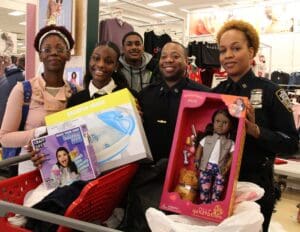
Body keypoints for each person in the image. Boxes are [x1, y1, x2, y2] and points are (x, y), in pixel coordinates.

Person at [213, 19, 299, 232]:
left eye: (236, 48)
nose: (228, 55)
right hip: (217, 187)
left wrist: (256, 131)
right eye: (223, 50)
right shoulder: (214, 94)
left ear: (251, 52)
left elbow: (292, 144)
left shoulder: (272, 92)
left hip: (256, 189)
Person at [120, 41, 210, 232]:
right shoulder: (145, 96)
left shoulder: (204, 96)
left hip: (186, 181)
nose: (168, 60)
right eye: (164, 56)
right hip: (148, 182)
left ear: (186, 61)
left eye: (176, 56)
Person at [0, 24, 80, 175]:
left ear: (68, 54)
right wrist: (40, 134)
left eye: (60, 49)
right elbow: (4, 137)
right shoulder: (23, 90)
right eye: (47, 49)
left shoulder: (76, 92)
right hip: (30, 167)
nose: (53, 53)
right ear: (40, 55)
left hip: (67, 167)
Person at [67, 41, 135, 107]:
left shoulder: (129, 96)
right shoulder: (75, 101)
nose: (100, 65)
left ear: (116, 66)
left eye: (108, 61)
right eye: (96, 58)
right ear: (90, 60)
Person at [194, 109, 236, 204]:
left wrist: (227, 166)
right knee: (204, 187)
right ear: (213, 123)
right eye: (217, 121)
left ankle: (214, 204)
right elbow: (199, 149)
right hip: (206, 166)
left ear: (230, 126)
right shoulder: (207, 138)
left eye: (225, 122)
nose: (220, 125)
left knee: (218, 188)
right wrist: (197, 160)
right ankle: (205, 204)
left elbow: (233, 155)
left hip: (221, 168)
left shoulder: (230, 143)